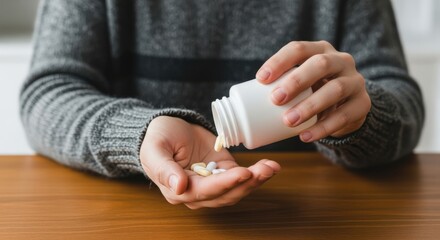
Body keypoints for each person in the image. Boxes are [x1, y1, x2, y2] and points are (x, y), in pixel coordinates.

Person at [20, 0, 424, 209]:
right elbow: (48, 93)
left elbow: (402, 101)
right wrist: (140, 136)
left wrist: (358, 119)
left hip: (310, 215)